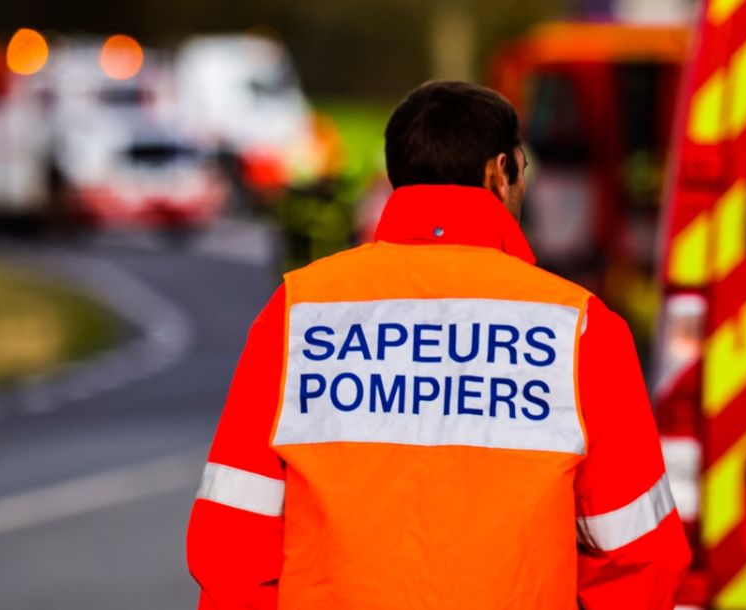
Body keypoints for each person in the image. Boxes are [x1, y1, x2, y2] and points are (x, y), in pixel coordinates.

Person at [186, 80, 690, 610]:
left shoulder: (297, 313)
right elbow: (637, 557)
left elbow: (233, 539)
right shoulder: (580, 327)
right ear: (501, 172)